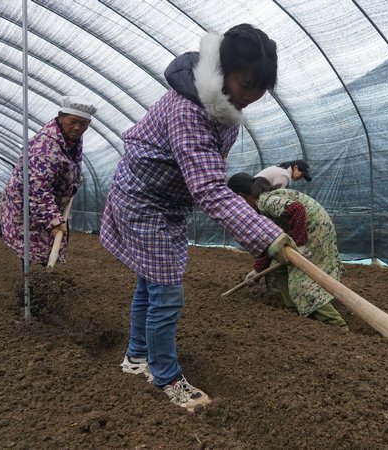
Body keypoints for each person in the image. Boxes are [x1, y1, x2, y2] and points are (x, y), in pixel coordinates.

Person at [100, 24, 297, 412]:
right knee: (166, 292)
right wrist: (268, 236)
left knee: (150, 283)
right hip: (143, 200)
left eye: (261, 88)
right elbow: (208, 188)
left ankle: (137, 357)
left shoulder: (226, 109)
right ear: (222, 71)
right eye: (247, 84)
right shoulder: (189, 110)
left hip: (167, 202)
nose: (252, 96)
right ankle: (166, 376)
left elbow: (205, 174)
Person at [228, 173, 349, 330]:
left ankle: (337, 325)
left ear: (241, 196)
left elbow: (296, 209)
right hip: (310, 231)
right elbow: (272, 244)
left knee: (302, 284)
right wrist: (256, 270)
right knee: (278, 267)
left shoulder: (265, 201)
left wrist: (301, 244)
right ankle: (293, 310)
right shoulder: (262, 203)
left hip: (314, 233)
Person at [0, 96, 96, 267]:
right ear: (61, 116)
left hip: (48, 202)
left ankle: (42, 279)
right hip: (27, 204)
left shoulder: (70, 138)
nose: (77, 128)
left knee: (47, 246)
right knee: (31, 246)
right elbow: (36, 190)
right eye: (73, 121)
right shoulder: (44, 148)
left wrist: (73, 179)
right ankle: (31, 285)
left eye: (83, 124)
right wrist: (53, 220)